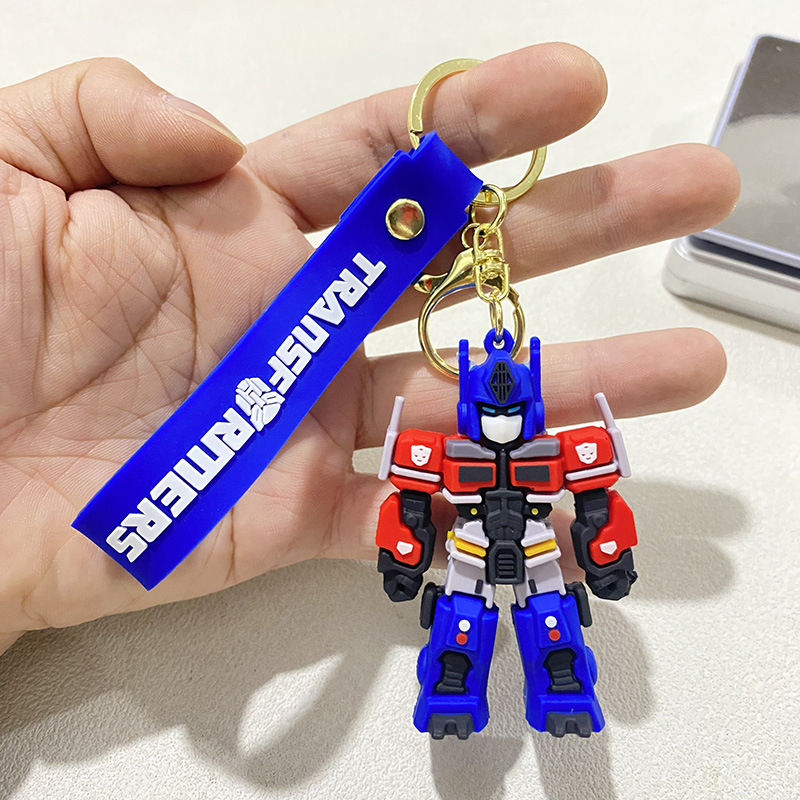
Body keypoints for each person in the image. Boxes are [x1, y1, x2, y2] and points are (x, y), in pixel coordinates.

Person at [0, 44, 738, 658]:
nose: (504, 405)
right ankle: (455, 686)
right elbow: (411, 504)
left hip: (541, 555)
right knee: (459, 633)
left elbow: (599, 501)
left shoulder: (560, 448)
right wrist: (404, 550)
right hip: (470, 556)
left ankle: (555, 678)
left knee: (553, 631)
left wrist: (608, 550)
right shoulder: (443, 450)